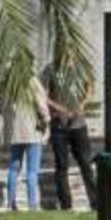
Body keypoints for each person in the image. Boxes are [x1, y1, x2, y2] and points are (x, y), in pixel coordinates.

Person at [45, 67, 98, 211]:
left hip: (78, 125)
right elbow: (44, 96)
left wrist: (81, 106)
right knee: (61, 166)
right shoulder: (51, 70)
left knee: (86, 164)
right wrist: (60, 108)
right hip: (59, 126)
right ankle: (66, 205)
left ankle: (95, 203)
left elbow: (91, 90)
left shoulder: (81, 67)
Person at [3, 73, 50, 211]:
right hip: (32, 130)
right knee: (32, 171)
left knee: (13, 168)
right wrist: (47, 120)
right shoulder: (32, 80)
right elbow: (41, 103)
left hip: (15, 132)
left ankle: (10, 203)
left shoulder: (9, 81)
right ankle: (32, 205)